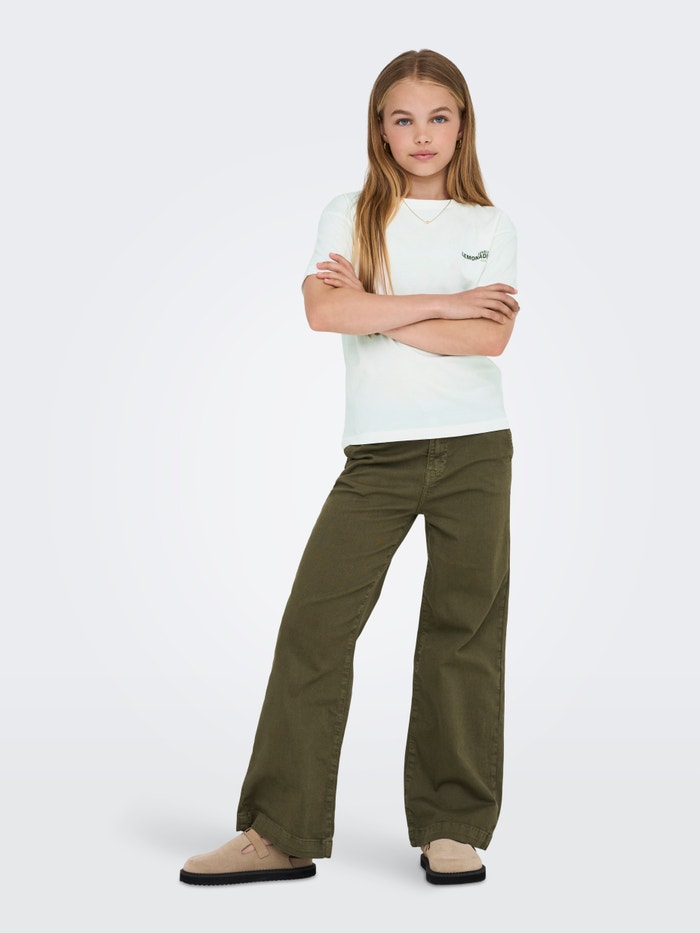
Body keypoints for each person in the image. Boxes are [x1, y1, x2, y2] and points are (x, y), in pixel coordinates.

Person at [180, 48, 519, 887]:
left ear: (463, 126)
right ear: (380, 128)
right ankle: (279, 830)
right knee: (315, 628)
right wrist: (441, 303)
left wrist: (375, 308)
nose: (422, 134)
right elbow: (324, 310)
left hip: (477, 448)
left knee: (464, 635)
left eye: (439, 116)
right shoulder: (351, 214)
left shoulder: (489, 225)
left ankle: (453, 826)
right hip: (378, 454)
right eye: (403, 118)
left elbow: (490, 336)